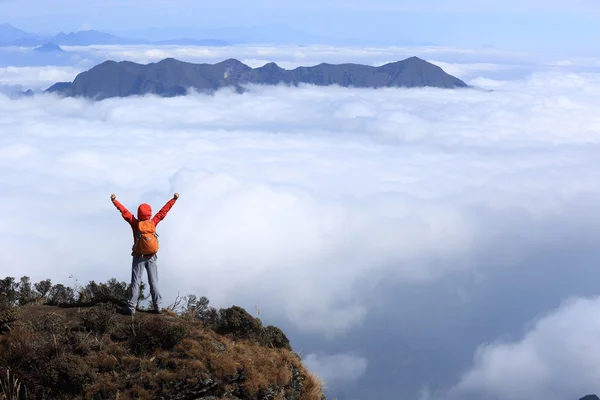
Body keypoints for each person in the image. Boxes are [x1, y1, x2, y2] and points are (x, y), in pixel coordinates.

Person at [110, 192, 179, 315]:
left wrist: (115, 201)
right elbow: (163, 212)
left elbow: (124, 212)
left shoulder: (135, 223)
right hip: (152, 257)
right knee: (154, 282)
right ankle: (158, 307)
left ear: (138, 214)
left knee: (136, 282)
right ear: (149, 214)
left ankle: (131, 308)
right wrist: (174, 199)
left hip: (139, 257)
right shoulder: (153, 223)